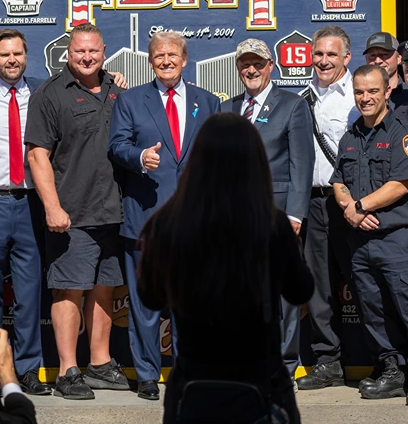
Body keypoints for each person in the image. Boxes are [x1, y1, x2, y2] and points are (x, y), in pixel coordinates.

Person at [137, 112, 313, 424]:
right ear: (255, 160)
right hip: (262, 383)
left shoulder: (167, 223)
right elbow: (300, 290)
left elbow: (151, 298)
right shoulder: (271, 224)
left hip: (192, 386)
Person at [109, 32, 220, 400]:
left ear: (185, 60)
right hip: (146, 220)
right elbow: (117, 145)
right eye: (159, 55)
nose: (166, 60)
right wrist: (139, 158)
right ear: (150, 60)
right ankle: (145, 375)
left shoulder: (208, 102)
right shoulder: (129, 100)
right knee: (144, 305)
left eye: (173, 54)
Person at [331, 64, 408, 405]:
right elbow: (338, 180)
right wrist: (350, 208)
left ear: (386, 92)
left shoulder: (402, 133)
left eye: (372, 91)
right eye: (359, 92)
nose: (365, 98)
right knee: (374, 310)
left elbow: (402, 184)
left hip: (400, 237)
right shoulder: (350, 135)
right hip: (361, 240)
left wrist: (360, 206)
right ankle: (392, 372)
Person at [26, 23, 128, 400]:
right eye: (79, 52)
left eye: (94, 52)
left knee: (103, 289)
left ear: (104, 52)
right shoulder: (50, 94)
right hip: (71, 214)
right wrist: (52, 206)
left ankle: (99, 363)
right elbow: (37, 155)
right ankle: (68, 369)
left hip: (114, 211)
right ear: (68, 54)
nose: (87, 58)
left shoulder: (119, 90)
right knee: (68, 291)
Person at [219, 38, 312, 386]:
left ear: (270, 65)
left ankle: (284, 364)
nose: (251, 69)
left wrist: (295, 216)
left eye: (257, 62)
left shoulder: (292, 105)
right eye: (245, 63)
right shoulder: (226, 109)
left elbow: (303, 164)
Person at [0, 29, 51, 396]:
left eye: (17, 53)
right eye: (4, 55)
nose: (12, 60)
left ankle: (29, 367)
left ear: (26, 55)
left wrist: (114, 80)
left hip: (32, 202)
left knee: (30, 289)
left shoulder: (44, 89)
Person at [296, 25, 363, 390]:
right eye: (318, 54)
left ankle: (388, 361)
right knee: (319, 287)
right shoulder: (300, 98)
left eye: (331, 55)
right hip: (314, 203)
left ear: (346, 58)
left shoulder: (359, 96)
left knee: (366, 281)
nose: (323, 61)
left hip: (354, 204)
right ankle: (328, 362)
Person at [363, 31, 408, 109]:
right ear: (366, 59)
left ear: (398, 58)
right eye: (372, 56)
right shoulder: (360, 97)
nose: (378, 61)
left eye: (384, 54)